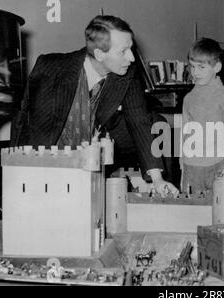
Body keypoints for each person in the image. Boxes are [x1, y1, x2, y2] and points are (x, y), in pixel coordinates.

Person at [10, 15, 178, 196]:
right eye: (123, 51)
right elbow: (27, 123)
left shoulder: (127, 74)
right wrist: (17, 176)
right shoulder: (51, 69)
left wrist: (157, 179)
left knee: (158, 124)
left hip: (99, 141)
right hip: (50, 148)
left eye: (131, 49)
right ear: (99, 54)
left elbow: (139, 122)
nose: (131, 58)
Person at [180, 38, 224, 194]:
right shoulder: (188, 98)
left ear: (217, 67)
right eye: (192, 67)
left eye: (201, 67)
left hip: (219, 165)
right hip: (192, 167)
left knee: (222, 211)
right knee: (192, 212)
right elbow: (185, 133)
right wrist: (182, 164)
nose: (195, 72)